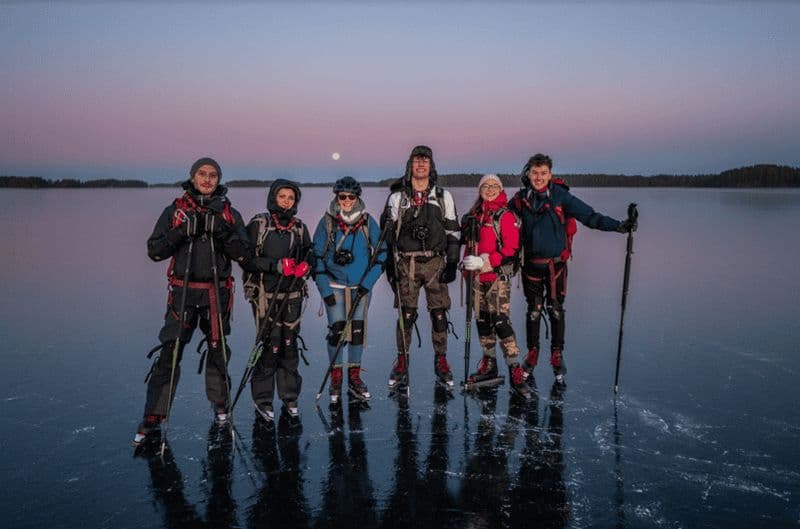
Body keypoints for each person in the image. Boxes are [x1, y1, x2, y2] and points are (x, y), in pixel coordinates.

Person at [134, 157, 250, 444]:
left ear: (218, 180)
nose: (207, 179)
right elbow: (154, 250)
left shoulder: (229, 214)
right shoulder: (175, 211)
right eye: (202, 174)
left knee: (218, 351)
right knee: (170, 353)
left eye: (213, 175)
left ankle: (221, 406)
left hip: (216, 293)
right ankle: (153, 416)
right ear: (193, 176)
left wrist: (220, 231)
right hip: (182, 293)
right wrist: (182, 231)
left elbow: (245, 254)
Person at [510, 153, 637, 386]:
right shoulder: (520, 199)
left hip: (555, 266)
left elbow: (590, 216)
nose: (539, 177)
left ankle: (557, 354)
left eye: (543, 173)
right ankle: (532, 353)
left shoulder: (561, 197)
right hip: (530, 266)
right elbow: (502, 220)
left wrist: (620, 226)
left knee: (555, 309)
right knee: (534, 311)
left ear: (550, 175)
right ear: (528, 173)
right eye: (535, 173)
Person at [382, 145, 461, 391]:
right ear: (410, 165)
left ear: (431, 166)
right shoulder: (398, 197)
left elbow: (452, 230)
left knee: (438, 313)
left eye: (425, 161)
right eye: (417, 161)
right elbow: (387, 235)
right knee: (406, 313)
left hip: (436, 262)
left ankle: (441, 359)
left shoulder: (442, 195)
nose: (421, 165)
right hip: (407, 263)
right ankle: (402, 360)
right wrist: (388, 263)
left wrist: (453, 262)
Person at [241, 179, 313, 420]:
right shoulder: (259, 225)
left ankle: (289, 395)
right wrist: (276, 266)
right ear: (273, 198)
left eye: (291, 198)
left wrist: (306, 266)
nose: (286, 201)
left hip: (292, 295)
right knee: (270, 345)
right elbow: (246, 259)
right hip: (265, 295)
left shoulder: (300, 228)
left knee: (289, 344)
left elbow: (309, 253)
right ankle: (263, 398)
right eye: (282, 196)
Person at [312, 177, 387, 404]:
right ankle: (336, 375)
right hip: (334, 286)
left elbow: (382, 253)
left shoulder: (367, 222)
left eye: (350, 197)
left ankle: (354, 375)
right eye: (342, 196)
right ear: (337, 197)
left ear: (357, 198)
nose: (346, 201)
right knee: (337, 331)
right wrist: (324, 289)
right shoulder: (327, 222)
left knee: (357, 331)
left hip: (360, 287)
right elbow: (316, 257)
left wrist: (368, 282)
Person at [461, 174, 531, 399]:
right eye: (485, 186)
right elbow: (468, 244)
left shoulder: (505, 215)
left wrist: (485, 262)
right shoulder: (474, 215)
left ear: (500, 189)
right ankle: (489, 364)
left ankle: (515, 369)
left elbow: (511, 248)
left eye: (494, 186)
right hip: (475, 280)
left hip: (497, 279)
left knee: (500, 322)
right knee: (482, 321)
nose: (490, 189)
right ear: (480, 189)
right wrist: (465, 264)